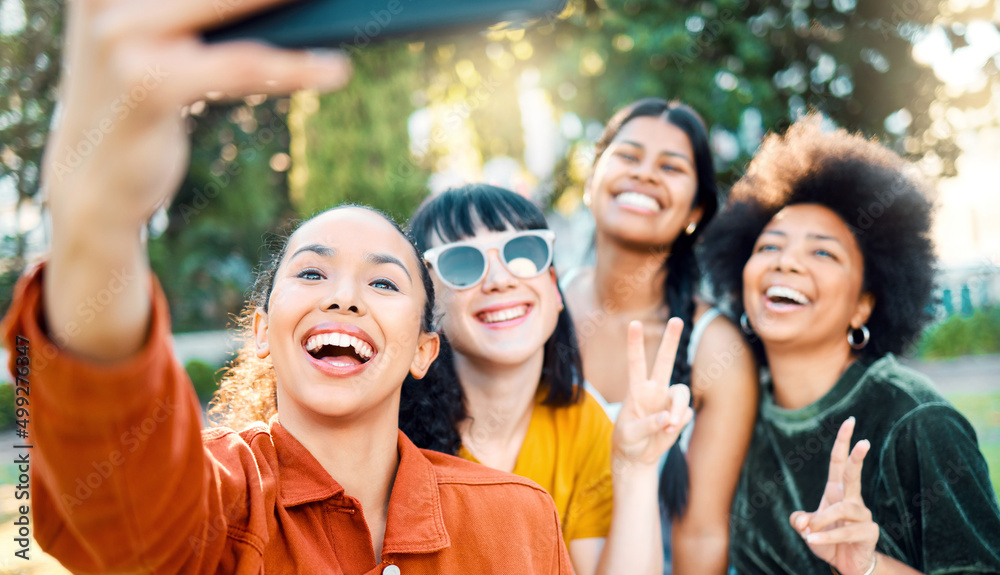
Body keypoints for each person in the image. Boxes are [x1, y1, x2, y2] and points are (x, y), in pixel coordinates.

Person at [0, 1, 575, 572]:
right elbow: (115, 494)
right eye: (310, 273)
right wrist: (100, 221)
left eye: (382, 281)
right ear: (261, 331)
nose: (343, 297)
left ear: (424, 350)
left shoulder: (519, 522)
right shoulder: (212, 509)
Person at [700, 115, 1000, 574]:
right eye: (768, 247)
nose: (787, 263)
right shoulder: (740, 413)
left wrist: (866, 566)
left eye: (822, 252)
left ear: (863, 304)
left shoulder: (916, 419)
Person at [402, 184, 695, 575]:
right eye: (462, 263)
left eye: (524, 255)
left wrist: (638, 466)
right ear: (426, 305)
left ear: (554, 287)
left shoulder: (582, 421)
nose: (500, 280)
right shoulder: (391, 434)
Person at [560, 98, 759, 573]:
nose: (645, 174)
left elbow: (703, 532)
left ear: (695, 210)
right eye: (628, 156)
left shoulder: (717, 348)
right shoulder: (541, 303)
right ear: (591, 183)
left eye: (670, 167)